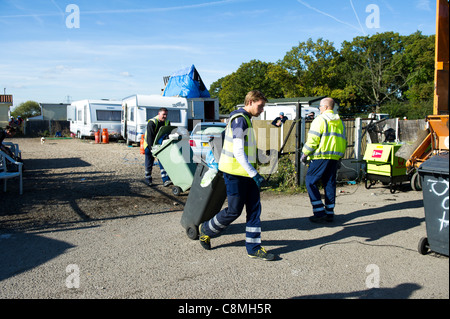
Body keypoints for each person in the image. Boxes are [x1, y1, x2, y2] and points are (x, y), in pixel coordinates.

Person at [198, 90, 275, 261]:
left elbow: (245, 148)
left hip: (245, 173)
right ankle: (206, 230)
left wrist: (260, 156)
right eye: (260, 106)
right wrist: (255, 174)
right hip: (235, 173)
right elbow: (239, 152)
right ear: (250, 102)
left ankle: (254, 248)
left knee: (254, 210)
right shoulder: (240, 120)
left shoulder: (246, 119)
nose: (262, 110)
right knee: (234, 211)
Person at [301, 97, 347, 223]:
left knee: (310, 181)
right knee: (329, 183)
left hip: (320, 156)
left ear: (326, 107)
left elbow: (313, 139)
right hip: (334, 157)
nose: (319, 109)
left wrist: (305, 153)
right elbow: (343, 140)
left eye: (320, 106)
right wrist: (339, 156)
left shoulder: (320, 120)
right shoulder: (340, 122)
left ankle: (319, 211)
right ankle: (329, 212)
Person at [143, 107, 172, 187]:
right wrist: (152, 149)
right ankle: (148, 179)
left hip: (160, 145)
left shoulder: (167, 122)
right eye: (163, 114)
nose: (165, 116)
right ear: (159, 114)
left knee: (163, 161)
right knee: (149, 162)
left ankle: (166, 180)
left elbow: (168, 134)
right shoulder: (152, 122)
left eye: (166, 115)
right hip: (149, 145)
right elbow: (150, 138)